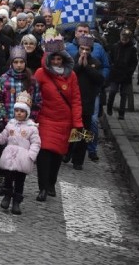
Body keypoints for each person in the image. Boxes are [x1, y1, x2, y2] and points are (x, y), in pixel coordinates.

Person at [33, 35, 82, 202]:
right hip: (45, 119)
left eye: (59, 58)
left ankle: (51, 182)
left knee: (57, 155)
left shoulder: (72, 76)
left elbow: (75, 99)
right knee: (44, 153)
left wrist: (77, 123)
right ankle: (42, 187)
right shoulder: (40, 74)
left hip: (64, 122)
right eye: (53, 58)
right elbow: (32, 93)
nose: (56, 62)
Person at [0, 91, 40, 215]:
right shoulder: (10, 124)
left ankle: (16, 202)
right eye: (17, 111)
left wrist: (31, 156)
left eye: (22, 111)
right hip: (9, 157)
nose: (19, 113)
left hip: (23, 159)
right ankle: (7, 196)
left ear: (27, 113)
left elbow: (36, 143)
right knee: (8, 179)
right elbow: (2, 138)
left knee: (20, 182)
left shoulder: (32, 127)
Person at [69, 35, 103, 170]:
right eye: (82, 48)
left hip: (88, 101)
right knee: (73, 129)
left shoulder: (96, 62)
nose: (84, 52)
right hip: (73, 100)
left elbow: (100, 80)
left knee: (85, 132)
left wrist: (88, 67)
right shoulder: (71, 60)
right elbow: (68, 74)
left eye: (87, 49)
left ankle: (79, 160)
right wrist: (79, 65)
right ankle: (69, 151)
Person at [106, 29, 138, 120]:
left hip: (126, 75)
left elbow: (134, 62)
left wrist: (130, 72)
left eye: (126, 38)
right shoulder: (115, 46)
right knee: (112, 91)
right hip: (115, 73)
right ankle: (109, 106)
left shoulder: (132, 49)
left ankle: (121, 113)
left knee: (124, 94)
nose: (124, 39)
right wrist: (112, 66)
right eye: (123, 37)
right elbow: (110, 57)